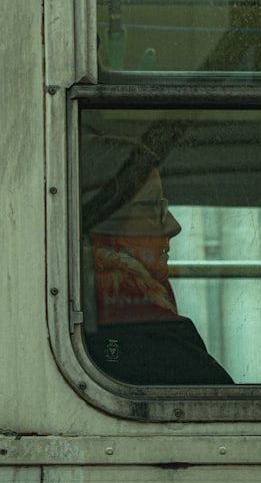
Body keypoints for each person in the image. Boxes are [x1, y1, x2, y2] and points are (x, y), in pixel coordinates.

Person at [80, 121, 233, 385]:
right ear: (107, 222)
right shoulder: (149, 328)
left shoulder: (91, 311)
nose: (173, 226)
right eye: (152, 207)